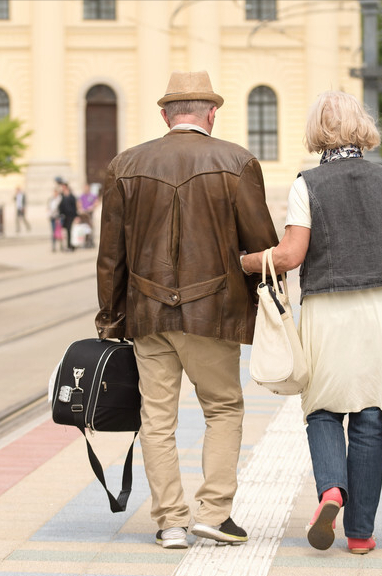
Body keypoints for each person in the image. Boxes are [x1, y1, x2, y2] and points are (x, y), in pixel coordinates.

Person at [240, 91, 382, 555]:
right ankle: (362, 533)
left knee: (323, 409)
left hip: (329, 310)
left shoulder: (307, 184)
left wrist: (246, 262)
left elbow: (290, 256)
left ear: (317, 132)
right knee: (371, 416)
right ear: (362, 127)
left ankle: (331, 489)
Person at [95, 70, 279, 550]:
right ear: (211, 114)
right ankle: (214, 514)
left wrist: (111, 320)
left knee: (157, 419)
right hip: (212, 313)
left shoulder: (124, 165)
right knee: (222, 408)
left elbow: (110, 256)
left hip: (147, 314)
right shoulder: (237, 161)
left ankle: (171, 522)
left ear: (165, 115)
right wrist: (264, 303)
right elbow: (261, 246)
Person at [58, 182, 78, 251]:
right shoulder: (62, 197)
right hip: (64, 216)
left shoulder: (71, 197)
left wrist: (76, 216)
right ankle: (66, 245)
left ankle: (70, 245)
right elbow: (60, 207)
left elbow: (75, 207)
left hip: (71, 216)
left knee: (70, 231)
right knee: (65, 232)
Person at [48, 181, 63, 252]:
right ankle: (54, 246)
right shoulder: (51, 199)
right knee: (53, 232)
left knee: (59, 231)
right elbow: (49, 207)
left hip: (58, 217)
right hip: (52, 217)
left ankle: (61, 245)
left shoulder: (60, 199)